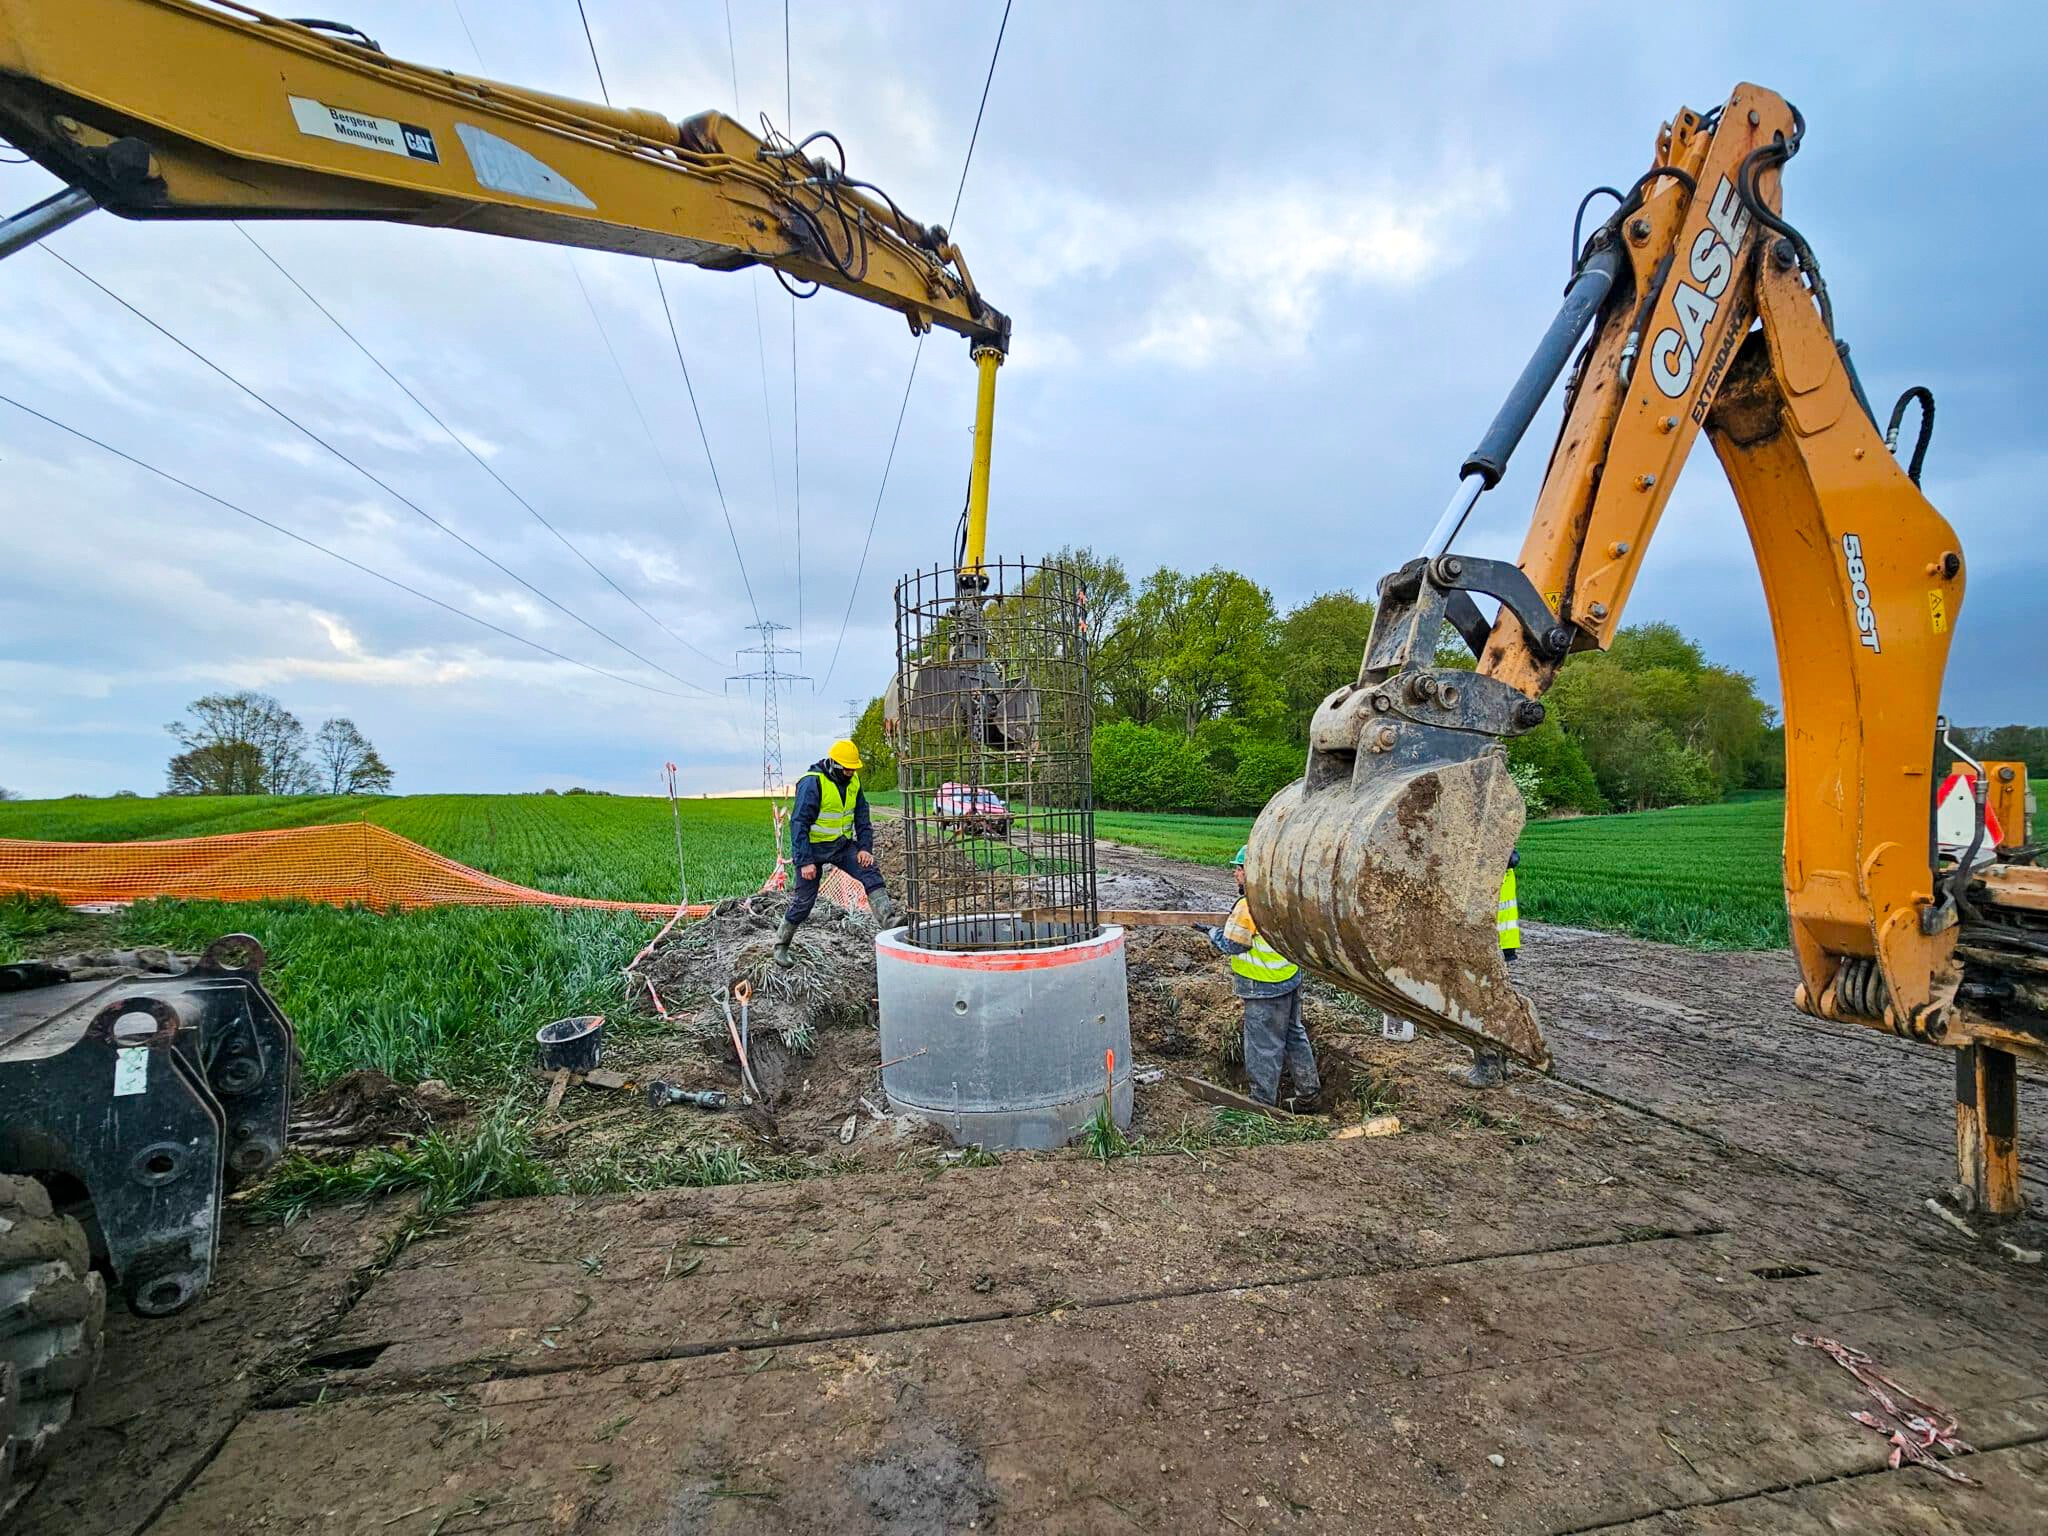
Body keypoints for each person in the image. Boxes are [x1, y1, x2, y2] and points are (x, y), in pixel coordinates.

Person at [1202, 846, 1319, 1111]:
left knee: (1263, 1046)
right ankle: (1309, 1095)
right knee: (1293, 1035)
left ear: (1252, 873)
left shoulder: (1249, 905)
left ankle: (1261, 1105)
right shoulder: (1282, 897)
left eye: (1240, 868)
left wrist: (1212, 933)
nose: (1236, 873)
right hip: (1289, 977)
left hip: (1263, 986)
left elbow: (1233, 944)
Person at [773, 739, 901, 966]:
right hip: (812, 850)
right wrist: (804, 862)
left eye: (853, 768)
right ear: (833, 764)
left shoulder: (854, 781)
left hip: (841, 846)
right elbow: (799, 823)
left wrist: (864, 848)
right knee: (804, 902)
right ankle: (781, 945)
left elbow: (862, 816)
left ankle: (891, 923)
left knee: (869, 870)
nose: (850, 772)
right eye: (846, 769)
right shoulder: (812, 783)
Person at [1453, 849, 1521, 1089]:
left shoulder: (1487, 851)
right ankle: (1499, 1064)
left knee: (1480, 999)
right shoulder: (1496, 846)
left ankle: (1489, 1067)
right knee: (1493, 997)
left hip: (1488, 939)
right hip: (1497, 938)